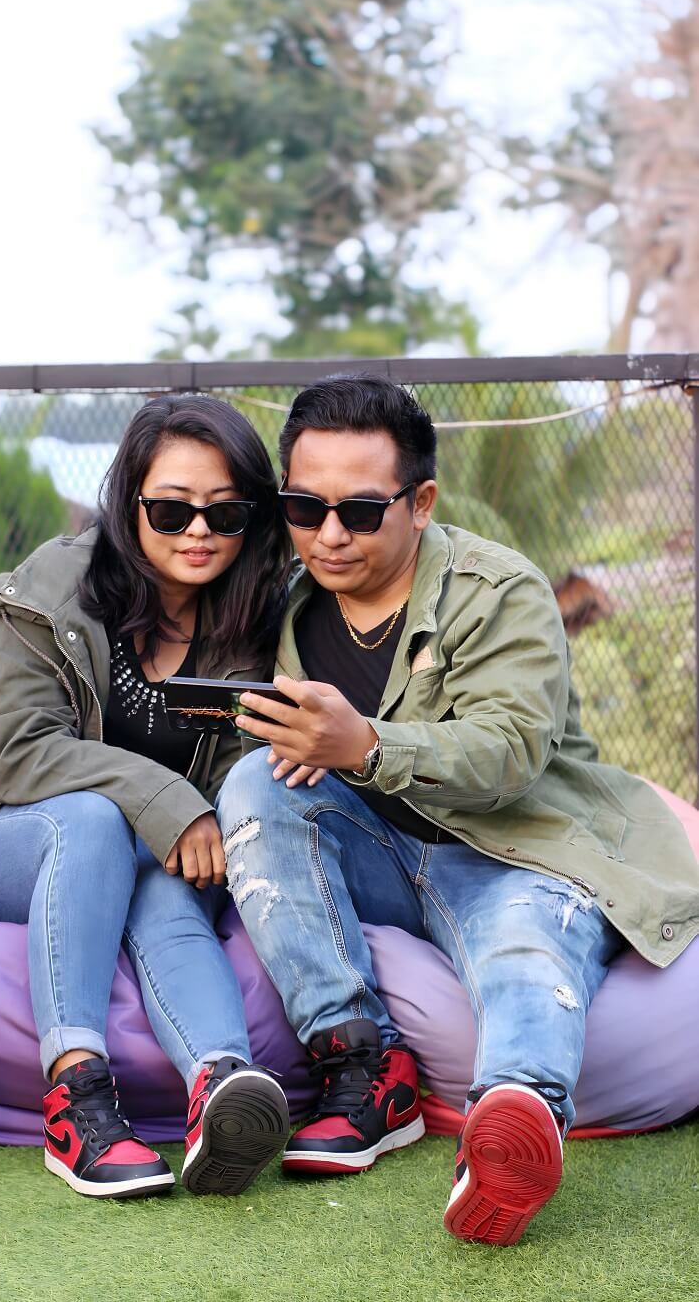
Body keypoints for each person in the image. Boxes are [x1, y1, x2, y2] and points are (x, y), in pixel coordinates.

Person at [216, 371, 699, 1245]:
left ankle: (512, 1123)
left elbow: (511, 750)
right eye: (305, 507)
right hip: (382, 852)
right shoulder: (289, 597)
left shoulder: (501, 590)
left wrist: (367, 746)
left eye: (361, 511)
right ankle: (364, 1069)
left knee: (524, 945)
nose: (329, 533)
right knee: (254, 785)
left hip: (520, 850)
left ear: (422, 501)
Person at [0, 395, 295, 1200]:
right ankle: (77, 1100)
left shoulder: (257, 616)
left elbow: (248, 766)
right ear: (129, 502)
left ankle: (222, 1084)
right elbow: (15, 752)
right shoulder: (52, 590)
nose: (198, 532)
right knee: (96, 819)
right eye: (172, 510)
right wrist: (161, 796)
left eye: (225, 513)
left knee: (163, 889)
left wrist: (190, 819)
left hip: (159, 852)